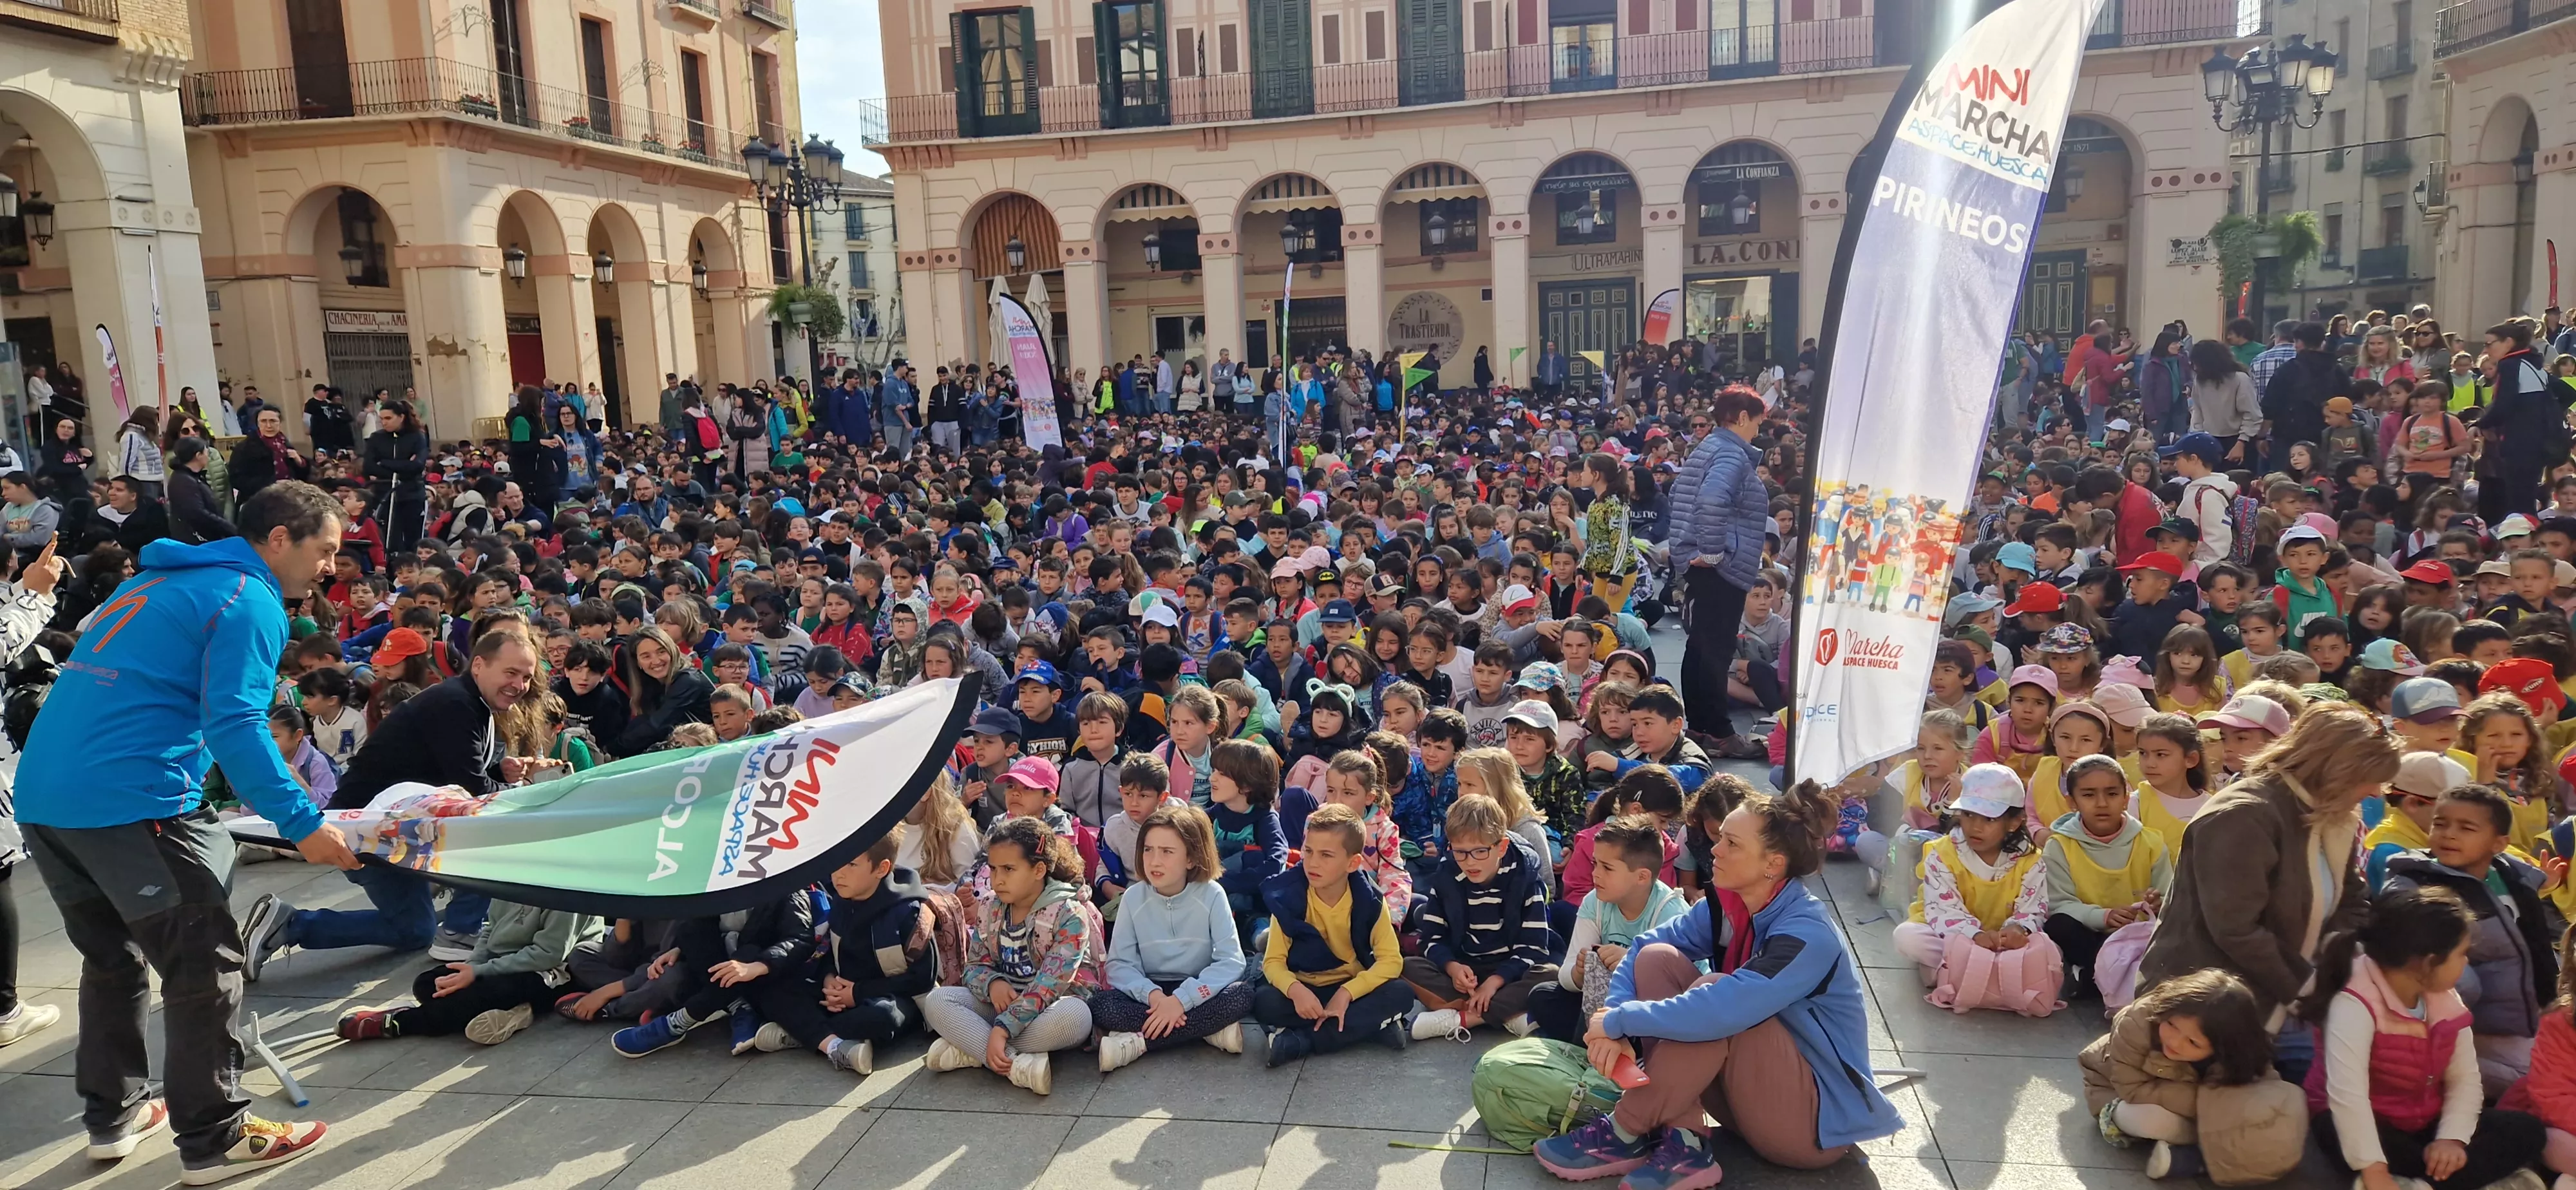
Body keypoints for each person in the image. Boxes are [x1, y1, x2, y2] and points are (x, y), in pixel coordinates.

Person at [12, 482, 356, 1184]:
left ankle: (115, 1113)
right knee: (204, 962)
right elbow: (235, 723)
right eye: (325, 551)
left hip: (47, 798)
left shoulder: (155, 584)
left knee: (111, 961)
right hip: (132, 800)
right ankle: (216, 1135)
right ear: (281, 538)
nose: (331, 567)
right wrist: (303, 825)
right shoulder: (246, 598)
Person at [1533, 780, 1900, 1184]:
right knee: (1659, 960)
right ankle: (1686, 1143)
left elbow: (1724, 1008)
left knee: (1716, 993)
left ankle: (1626, 1128)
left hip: (1811, 1130)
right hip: (1747, 1098)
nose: (1715, 850)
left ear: (1772, 865)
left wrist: (1622, 1022)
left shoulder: (1806, 933)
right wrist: (1614, 1017)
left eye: (1732, 844)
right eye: (1719, 838)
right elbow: (1641, 947)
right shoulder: (1728, 904)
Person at [242, 629, 544, 972]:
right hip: (372, 834)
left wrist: (500, 773)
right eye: (511, 673)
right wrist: (534, 792)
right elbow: (474, 793)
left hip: (387, 831)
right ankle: (461, 931)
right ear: (478, 665)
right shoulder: (456, 703)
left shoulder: (466, 701)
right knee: (498, 829)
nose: (520, 684)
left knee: (414, 929)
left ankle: (289, 924)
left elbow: (454, 774)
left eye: (526, 677)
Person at [2136, 703, 2400, 1032]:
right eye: (2370, 780)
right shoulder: (2244, 815)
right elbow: (2236, 929)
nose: (2376, 793)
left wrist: (2339, 962)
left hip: (2287, 998)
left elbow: (2351, 898)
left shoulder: (2330, 814)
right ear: (2336, 769)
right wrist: (2310, 991)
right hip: (2209, 1015)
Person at [2304, 885, 2547, 1190]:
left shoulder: (2444, 998)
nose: (2466, 962)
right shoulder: (2354, 1004)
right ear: (2429, 962)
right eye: (2462, 954)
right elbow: (2348, 1098)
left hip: (2424, 1119)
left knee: (2527, 1130)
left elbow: (2465, 1079)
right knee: (2333, 1130)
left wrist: (2452, 1139)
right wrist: (2375, 1172)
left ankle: (2422, 1184)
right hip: (2367, 1123)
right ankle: (2458, 1181)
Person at [919, 815, 1103, 1095]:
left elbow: (1049, 986)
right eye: (993, 869)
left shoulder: (1069, 914)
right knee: (938, 1000)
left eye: (1008, 869)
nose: (998, 879)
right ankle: (1015, 1066)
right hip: (999, 1002)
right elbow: (975, 966)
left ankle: (973, 1050)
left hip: (1049, 1007)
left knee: (1075, 1018)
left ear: (1039, 870)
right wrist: (992, 982)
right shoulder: (990, 908)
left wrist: (1002, 1030)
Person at [1093, 803, 1256, 1070]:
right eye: (1148, 850)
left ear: (1191, 858)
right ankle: (1207, 1031)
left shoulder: (1212, 894)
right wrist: (1156, 998)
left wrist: (1182, 1001)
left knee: (1241, 995)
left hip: (1199, 990)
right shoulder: (1133, 897)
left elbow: (1231, 961)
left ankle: (1138, 1043)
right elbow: (1119, 965)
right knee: (1101, 1005)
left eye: (1167, 852)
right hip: (1149, 994)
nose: (1155, 861)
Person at [2078, 968, 2278, 1182]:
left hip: (2203, 1107)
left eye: (2193, 1042)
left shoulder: (2239, 1049)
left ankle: (2199, 1155)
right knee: (2150, 1119)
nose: (2174, 1042)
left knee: (2271, 1111)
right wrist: (2209, 1104)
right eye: (2171, 1025)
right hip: (2119, 1093)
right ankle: (2208, 1156)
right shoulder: (2137, 1023)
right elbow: (2133, 1090)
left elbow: (2265, 1081)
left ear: (2225, 1047)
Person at [1255, 802, 1417, 1065]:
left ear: (1353, 863)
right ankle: (1370, 1029)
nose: (1313, 863)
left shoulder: (1369, 900)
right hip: (1305, 989)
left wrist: (1346, 994)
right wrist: (1296, 990)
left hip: (1350, 989)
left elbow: (1391, 961)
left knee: (1401, 993)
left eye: (1326, 855)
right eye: (1308, 851)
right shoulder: (1288, 896)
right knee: (1264, 1001)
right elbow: (1273, 962)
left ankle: (1299, 1042)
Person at [332, 898, 600, 1046]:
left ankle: (402, 1022)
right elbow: (489, 928)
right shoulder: (512, 878)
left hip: (554, 973)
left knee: (469, 1000)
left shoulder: (565, 893)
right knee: (428, 983)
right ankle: (517, 1010)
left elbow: (548, 954)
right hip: (502, 963)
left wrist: (480, 973)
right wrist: (472, 967)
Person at [1667, 386, 1770, 758]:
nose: (1759, 431)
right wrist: (1711, 552)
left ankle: (1700, 725)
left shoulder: (1709, 448)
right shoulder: (1730, 453)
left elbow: (1680, 492)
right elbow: (1711, 499)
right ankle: (1720, 731)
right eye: (1757, 422)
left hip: (1707, 566)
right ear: (1742, 418)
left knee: (1700, 648)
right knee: (1714, 651)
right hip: (1720, 569)